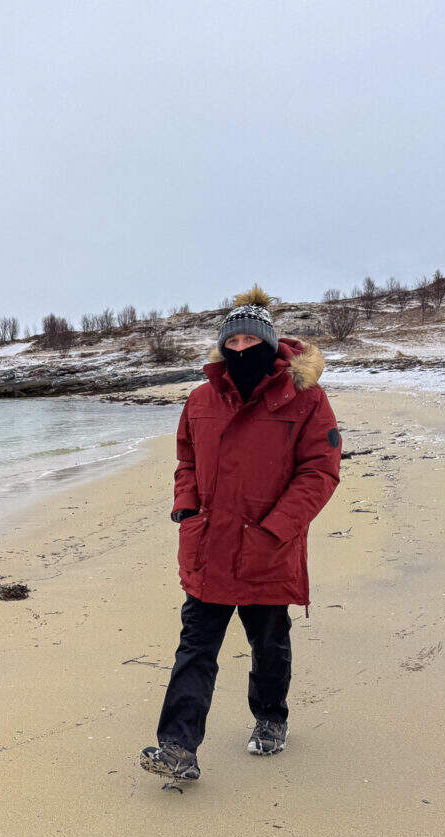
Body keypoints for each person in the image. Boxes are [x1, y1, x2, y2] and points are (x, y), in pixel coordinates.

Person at [139, 287, 341, 783]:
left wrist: (277, 529)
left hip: (267, 550)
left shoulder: (307, 399)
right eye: (234, 339)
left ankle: (271, 719)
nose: (242, 348)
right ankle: (178, 749)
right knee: (196, 648)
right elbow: (186, 457)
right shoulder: (202, 398)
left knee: (268, 644)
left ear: (270, 343)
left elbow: (320, 471)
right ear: (222, 344)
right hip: (209, 545)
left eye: (253, 338)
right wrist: (187, 508)